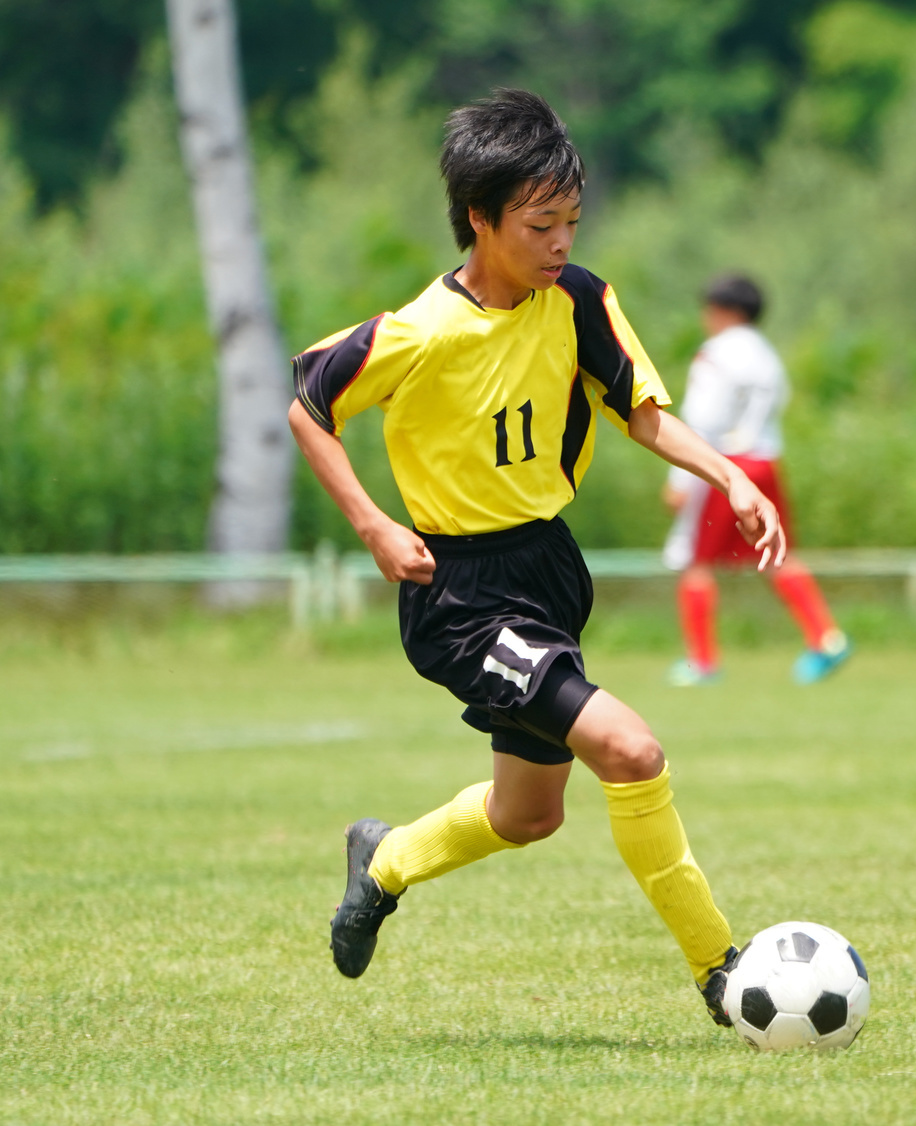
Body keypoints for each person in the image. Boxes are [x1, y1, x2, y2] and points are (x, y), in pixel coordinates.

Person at [287, 89, 783, 1027]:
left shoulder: (579, 299)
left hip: (547, 571)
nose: (560, 242)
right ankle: (723, 968)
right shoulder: (421, 331)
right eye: (539, 223)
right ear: (481, 218)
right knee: (630, 750)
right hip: (460, 594)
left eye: (571, 222)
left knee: (528, 815)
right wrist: (374, 526)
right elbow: (308, 405)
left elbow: (638, 409)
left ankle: (382, 862)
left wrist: (729, 477)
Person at [661, 274, 851, 687]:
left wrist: (680, 475)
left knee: (696, 562)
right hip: (764, 460)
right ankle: (826, 636)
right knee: (777, 551)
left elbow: (703, 420)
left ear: (726, 311)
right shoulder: (767, 355)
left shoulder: (715, 354)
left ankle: (703, 661)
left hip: (726, 467)